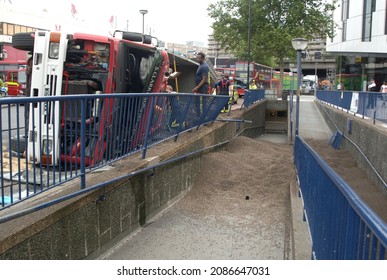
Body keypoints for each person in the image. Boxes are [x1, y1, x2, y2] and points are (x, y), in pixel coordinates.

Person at [192, 52, 209, 118]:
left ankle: (203, 117)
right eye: (197, 58)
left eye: (199, 58)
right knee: (197, 102)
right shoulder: (200, 66)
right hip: (200, 87)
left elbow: (204, 79)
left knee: (203, 103)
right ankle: (199, 116)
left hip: (203, 87)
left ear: (203, 58)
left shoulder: (204, 66)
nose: (197, 59)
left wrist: (197, 87)